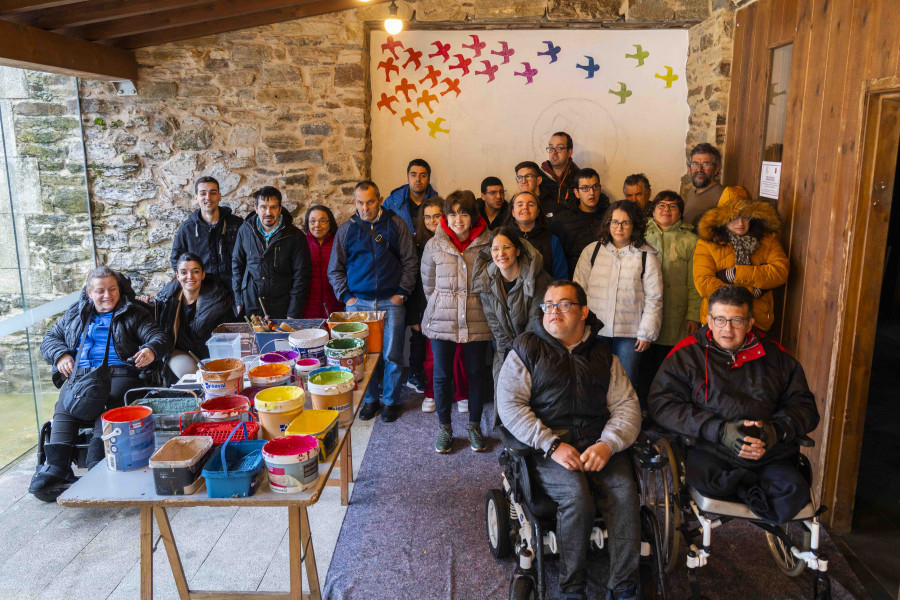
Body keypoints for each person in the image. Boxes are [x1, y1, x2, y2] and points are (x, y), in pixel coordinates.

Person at [497, 280, 642, 600]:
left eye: (564, 304)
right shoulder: (526, 348)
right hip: (546, 446)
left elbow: (627, 406)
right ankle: (571, 588)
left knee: (624, 489)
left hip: (598, 442)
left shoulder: (604, 354)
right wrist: (551, 444)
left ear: (583, 312)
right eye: (548, 305)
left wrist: (608, 443)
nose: (553, 311)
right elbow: (509, 406)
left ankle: (623, 585)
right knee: (576, 494)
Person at [648, 285, 820, 525]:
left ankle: (748, 487)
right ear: (708, 320)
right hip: (712, 449)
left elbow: (805, 407)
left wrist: (776, 431)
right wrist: (719, 430)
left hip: (767, 452)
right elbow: (661, 404)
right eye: (719, 320)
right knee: (711, 482)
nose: (726, 329)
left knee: (795, 491)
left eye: (736, 321)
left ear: (750, 323)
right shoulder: (686, 354)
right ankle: (754, 491)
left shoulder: (777, 357)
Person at [33, 267, 167, 501]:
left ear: (119, 289)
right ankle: (56, 468)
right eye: (100, 291)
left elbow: (159, 337)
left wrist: (150, 349)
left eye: (112, 289)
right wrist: (61, 355)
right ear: (88, 292)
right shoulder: (76, 313)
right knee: (65, 408)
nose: (107, 295)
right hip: (81, 376)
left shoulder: (133, 312)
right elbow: (50, 338)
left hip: (120, 374)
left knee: (108, 408)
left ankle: (98, 464)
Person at [329, 181, 417, 423]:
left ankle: (390, 401)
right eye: (360, 202)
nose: (365, 207)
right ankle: (369, 401)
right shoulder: (347, 229)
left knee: (392, 356)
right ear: (354, 202)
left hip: (391, 302)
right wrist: (347, 297)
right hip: (359, 304)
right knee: (361, 358)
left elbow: (411, 262)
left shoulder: (396, 224)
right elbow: (334, 269)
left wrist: (402, 293)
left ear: (379, 200)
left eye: (370, 201)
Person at [421, 190, 493, 453]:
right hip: (442, 318)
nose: (458, 219)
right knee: (442, 375)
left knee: (475, 373)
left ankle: (474, 426)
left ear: (472, 216)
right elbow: (429, 285)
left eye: (464, 213)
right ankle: (445, 429)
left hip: (477, 317)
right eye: (452, 213)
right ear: (445, 217)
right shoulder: (434, 245)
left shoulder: (488, 242)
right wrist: (443, 304)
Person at [573, 200, 663, 386]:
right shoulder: (592, 251)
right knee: (595, 380)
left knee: (625, 382)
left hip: (630, 333)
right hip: (596, 330)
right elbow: (578, 291)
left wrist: (647, 333)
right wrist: (579, 327)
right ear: (607, 224)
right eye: (614, 222)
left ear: (635, 226)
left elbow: (654, 298)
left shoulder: (646, 256)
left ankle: (626, 416)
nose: (619, 227)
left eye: (625, 222)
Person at [694, 185, 789, 332]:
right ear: (723, 219)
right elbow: (703, 282)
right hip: (718, 322)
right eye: (734, 217)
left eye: (745, 217)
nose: (740, 223)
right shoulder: (707, 242)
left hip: (757, 321)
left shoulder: (767, 239)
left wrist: (735, 275)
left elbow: (780, 272)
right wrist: (750, 293)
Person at [637, 191, 701, 404]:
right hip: (643, 315)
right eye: (661, 205)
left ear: (680, 213)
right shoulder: (639, 234)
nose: (666, 210)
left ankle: (669, 409)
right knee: (643, 368)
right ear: (653, 209)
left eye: (672, 206)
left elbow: (695, 283)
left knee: (672, 368)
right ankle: (644, 408)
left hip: (677, 315)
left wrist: (693, 315)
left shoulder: (691, 241)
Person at [407, 198, 471, 412]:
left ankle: (462, 394)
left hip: (458, 309)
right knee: (433, 357)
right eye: (428, 216)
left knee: (460, 357)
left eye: (437, 216)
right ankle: (431, 393)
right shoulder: (417, 244)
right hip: (431, 310)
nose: (433, 220)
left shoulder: (457, 241)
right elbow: (420, 284)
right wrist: (417, 314)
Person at [473, 226, 552, 381]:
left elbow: (535, 323)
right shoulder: (486, 281)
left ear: (517, 251)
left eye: (506, 247)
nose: (501, 254)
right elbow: (495, 325)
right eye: (495, 249)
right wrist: (509, 354)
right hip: (504, 348)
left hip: (536, 348)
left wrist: (519, 355)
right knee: (503, 388)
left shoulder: (537, 278)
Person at [232, 186, 311, 319]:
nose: (268, 212)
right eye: (263, 207)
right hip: (252, 304)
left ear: (280, 208)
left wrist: (293, 311)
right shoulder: (245, 231)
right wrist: (239, 299)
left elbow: (302, 276)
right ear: (256, 208)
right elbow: (237, 265)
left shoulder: (294, 236)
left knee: (281, 340)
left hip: (283, 307)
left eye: (273, 207)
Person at [154, 252, 234, 380]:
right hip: (183, 354)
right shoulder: (168, 301)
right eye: (184, 272)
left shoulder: (219, 301)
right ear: (177, 276)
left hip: (212, 357)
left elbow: (227, 337)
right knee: (192, 377)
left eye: (195, 271)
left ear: (203, 275)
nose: (190, 276)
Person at [170, 176, 244, 291]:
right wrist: (191, 282)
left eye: (213, 193)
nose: (208, 198)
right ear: (196, 198)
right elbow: (176, 259)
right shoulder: (187, 228)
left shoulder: (237, 225)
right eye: (203, 193)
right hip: (202, 292)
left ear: (219, 196)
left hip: (234, 290)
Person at [553, 167, 611, 277]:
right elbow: (558, 260)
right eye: (585, 188)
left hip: (607, 276)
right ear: (576, 193)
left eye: (595, 187)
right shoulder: (562, 220)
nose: (591, 193)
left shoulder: (610, 215)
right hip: (576, 278)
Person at [507, 191, 568, 281]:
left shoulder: (552, 240)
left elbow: (561, 277)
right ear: (513, 212)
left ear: (538, 211)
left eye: (531, 205)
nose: (525, 208)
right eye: (520, 205)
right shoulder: (504, 238)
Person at [301, 205, 344, 320]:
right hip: (308, 306)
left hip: (335, 304)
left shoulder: (339, 243)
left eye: (323, 221)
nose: (317, 225)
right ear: (307, 223)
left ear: (330, 222)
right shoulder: (301, 244)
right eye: (313, 221)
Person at [383, 158, 439, 235]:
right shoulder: (392, 202)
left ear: (428, 179)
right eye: (413, 175)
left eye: (423, 176)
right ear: (408, 177)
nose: (418, 179)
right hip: (400, 247)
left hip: (430, 246)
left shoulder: (439, 204)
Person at [682, 143, 725, 229]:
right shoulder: (691, 193)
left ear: (716, 169)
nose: (699, 169)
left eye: (706, 164)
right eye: (695, 164)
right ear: (689, 169)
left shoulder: (722, 195)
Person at [539, 131, 580, 209]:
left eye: (559, 148)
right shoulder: (539, 176)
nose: (554, 152)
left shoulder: (579, 178)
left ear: (569, 152)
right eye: (551, 148)